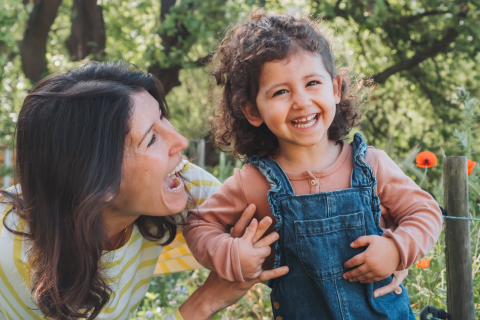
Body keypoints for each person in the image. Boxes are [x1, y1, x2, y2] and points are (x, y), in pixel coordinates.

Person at [183, 12, 442, 319]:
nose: (301, 101)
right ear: (253, 110)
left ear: (335, 89)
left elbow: (424, 212)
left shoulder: (371, 165)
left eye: (312, 83)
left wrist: (397, 250)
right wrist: (232, 254)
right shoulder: (253, 183)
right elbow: (199, 225)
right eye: (280, 91)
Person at [0, 62, 288, 320]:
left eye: (163, 117)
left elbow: (291, 227)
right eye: (152, 138)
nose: (181, 141)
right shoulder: (15, 257)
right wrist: (203, 302)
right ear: (96, 179)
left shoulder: (177, 182)